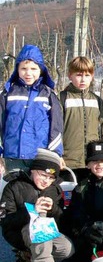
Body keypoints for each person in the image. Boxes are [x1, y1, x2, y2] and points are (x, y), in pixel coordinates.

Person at [0, 149, 73, 262]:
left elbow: (61, 220)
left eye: (51, 177)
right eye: (43, 175)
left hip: (45, 234)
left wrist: (53, 209)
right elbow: (5, 220)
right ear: (33, 170)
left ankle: (30, 258)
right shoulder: (14, 186)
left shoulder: (55, 189)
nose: (46, 181)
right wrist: (31, 211)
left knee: (67, 248)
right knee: (40, 222)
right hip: (18, 232)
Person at [0, 44, 63, 172]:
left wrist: (55, 153)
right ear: (17, 69)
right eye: (24, 68)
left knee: (36, 191)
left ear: (41, 70)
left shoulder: (48, 95)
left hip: (39, 157)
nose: (28, 73)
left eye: (33, 69)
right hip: (12, 157)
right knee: (13, 190)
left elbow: (56, 128)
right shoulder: (8, 94)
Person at [59, 56, 103, 183]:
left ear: (92, 76)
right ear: (70, 75)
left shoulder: (96, 100)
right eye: (78, 75)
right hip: (67, 162)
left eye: (87, 75)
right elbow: (55, 130)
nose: (83, 79)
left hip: (92, 161)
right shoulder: (62, 98)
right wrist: (57, 154)